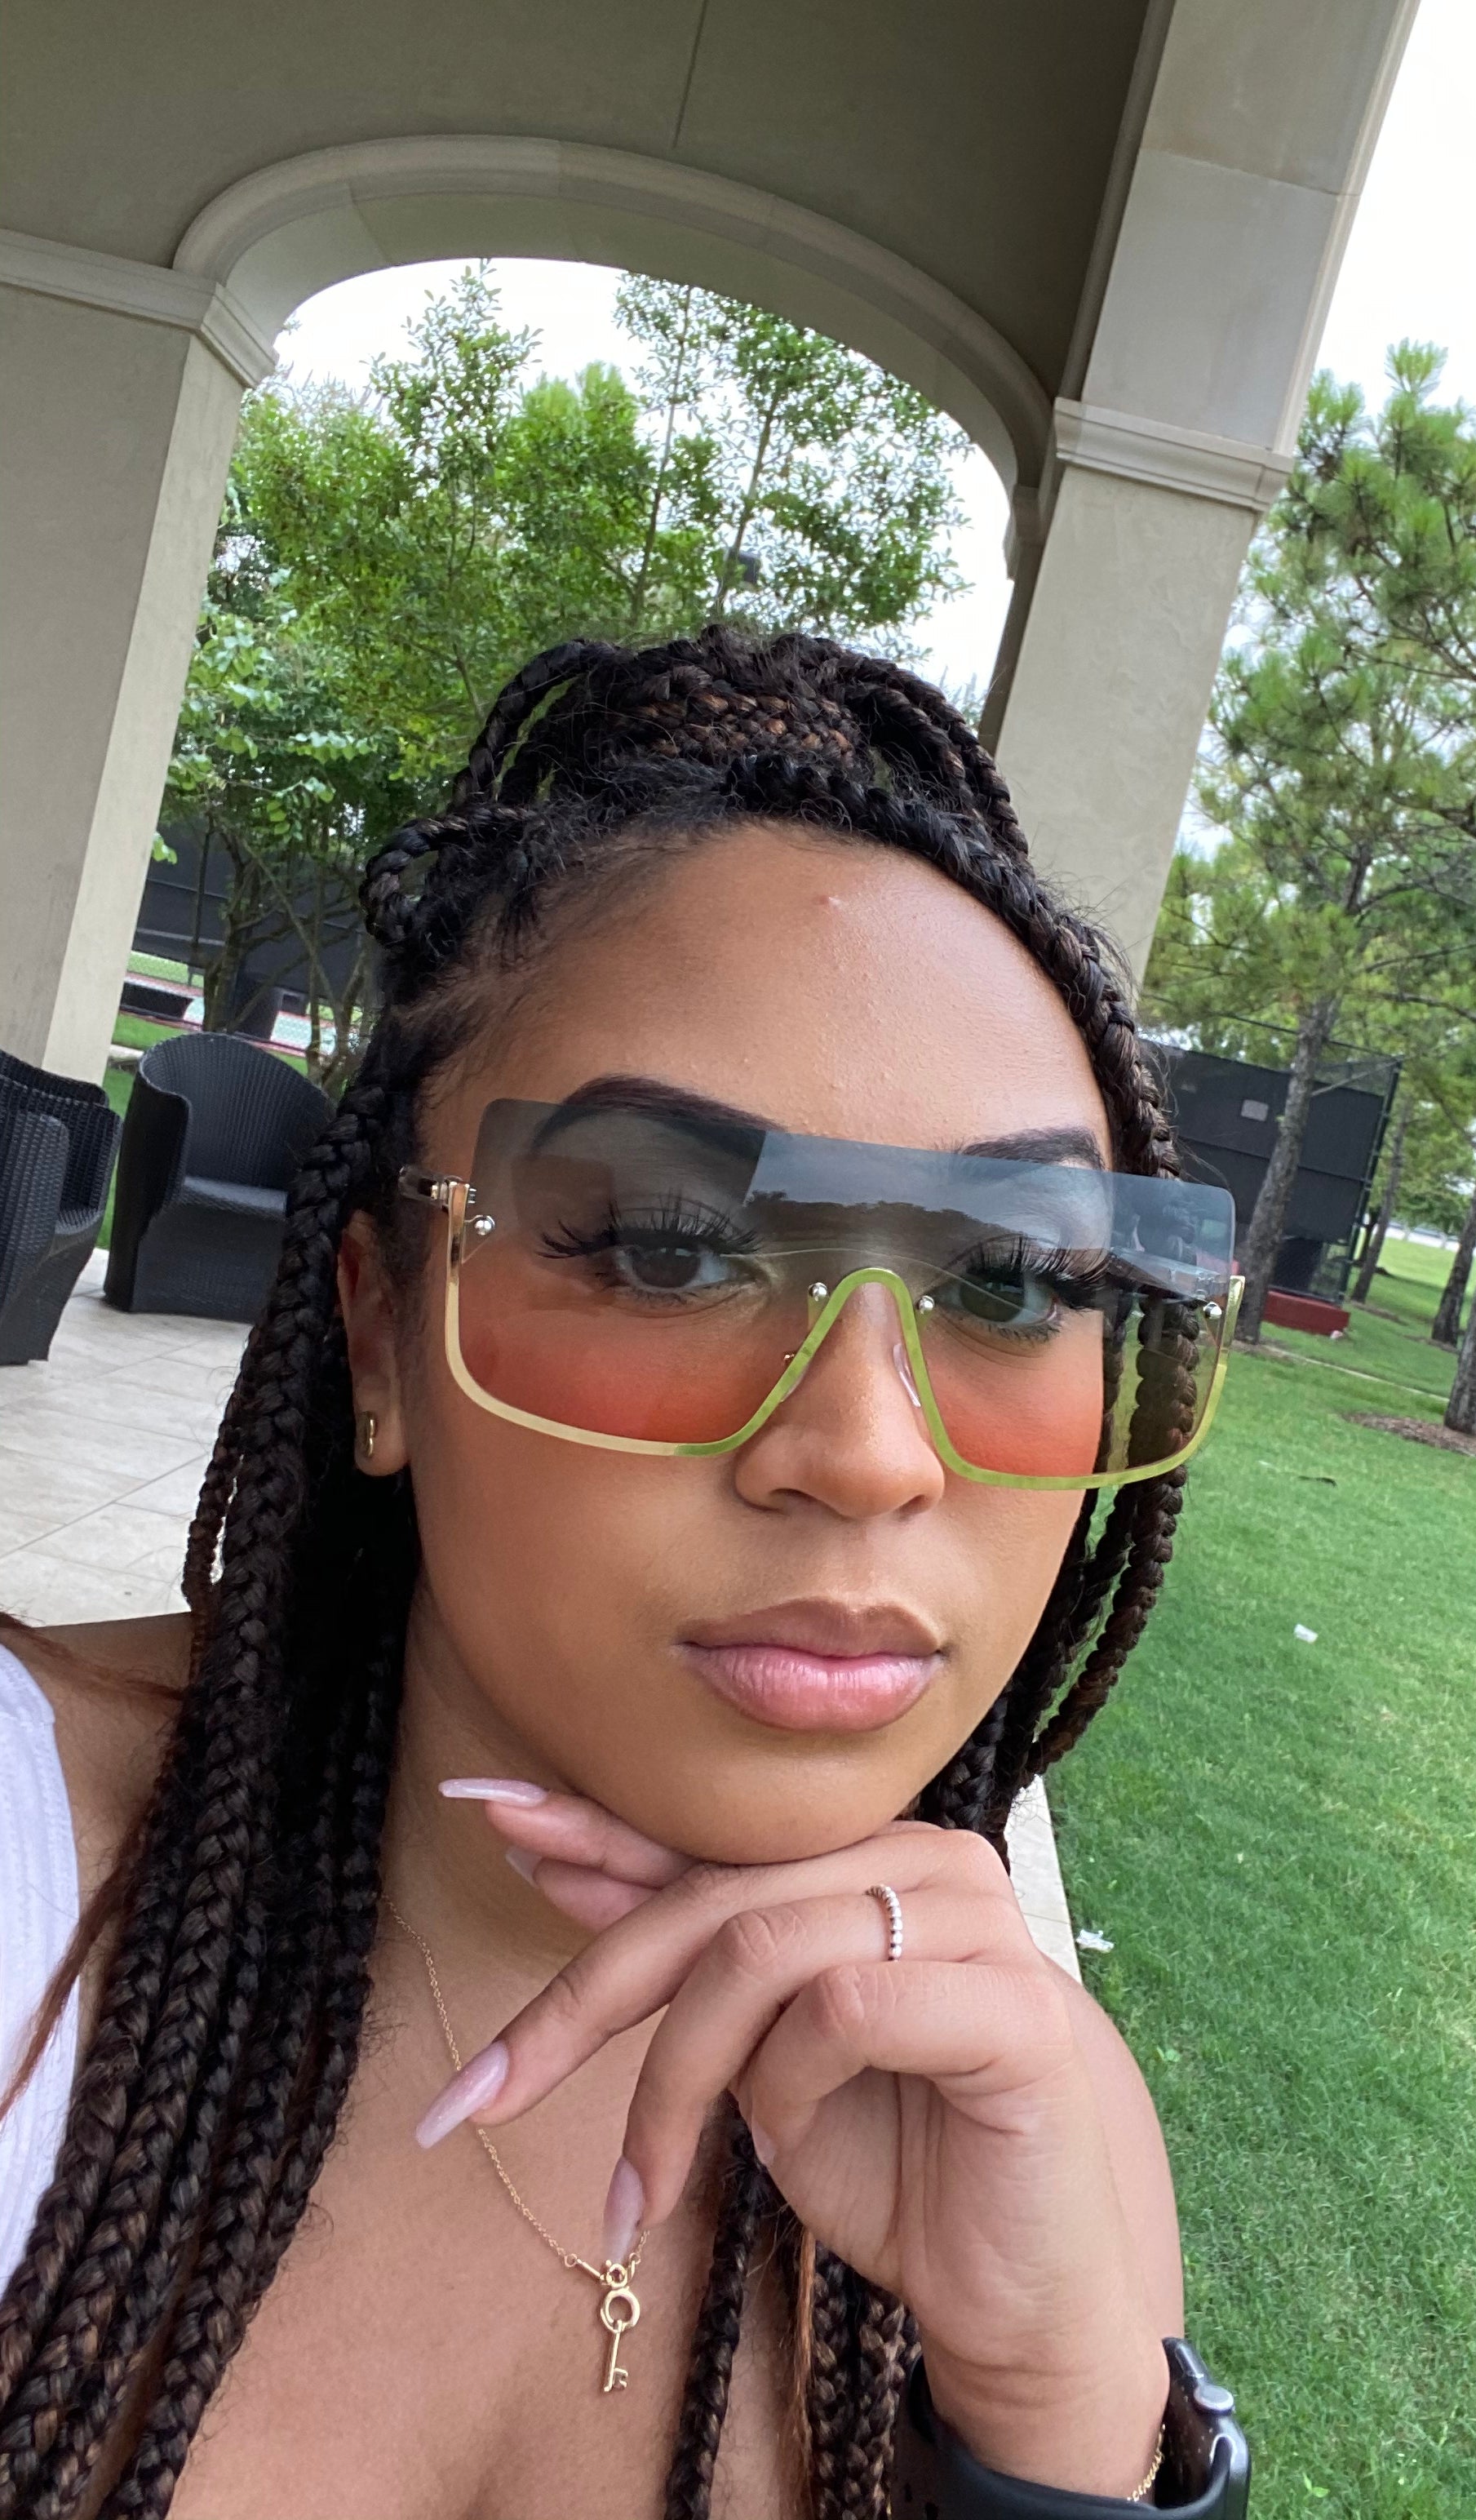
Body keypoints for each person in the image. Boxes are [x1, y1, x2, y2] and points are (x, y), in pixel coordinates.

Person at [0, 633, 1248, 2519]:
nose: (870, 1451)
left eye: (1010, 1280)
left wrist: (1058, 2432)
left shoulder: (1037, 2132)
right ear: (382, 1335)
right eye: (669, 1247)